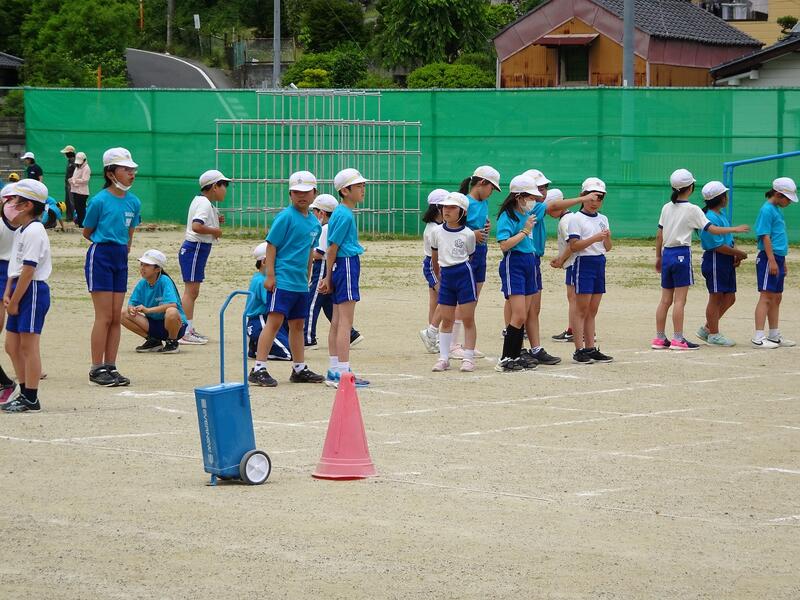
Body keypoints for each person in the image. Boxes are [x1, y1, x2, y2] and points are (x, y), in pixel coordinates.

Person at [653, 169, 749, 351]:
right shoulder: (693, 209)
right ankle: (678, 339)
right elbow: (712, 230)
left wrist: (658, 256)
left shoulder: (666, 207)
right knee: (680, 300)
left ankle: (659, 338)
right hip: (681, 254)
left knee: (665, 300)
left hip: (667, 254)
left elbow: (659, 235)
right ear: (691, 187)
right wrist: (734, 229)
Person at [248, 170, 324, 388]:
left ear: (314, 193)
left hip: (300, 282)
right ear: (290, 194)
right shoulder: (285, 217)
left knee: (298, 324)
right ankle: (258, 369)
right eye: (296, 192)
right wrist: (271, 275)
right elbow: (272, 246)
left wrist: (308, 275)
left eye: (306, 192)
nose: (301, 196)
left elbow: (309, 251)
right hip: (282, 280)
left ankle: (299, 368)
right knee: (274, 322)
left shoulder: (314, 223)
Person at [83, 147, 141, 386]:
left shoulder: (134, 202)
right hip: (101, 256)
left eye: (132, 169)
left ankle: (111, 366)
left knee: (116, 316)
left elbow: (130, 232)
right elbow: (87, 231)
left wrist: (125, 247)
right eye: (125, 169)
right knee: (104, 316)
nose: (131, 173)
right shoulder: (99, 200)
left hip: (120, 257)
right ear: (110, 173)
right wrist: (109, 242)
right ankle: (96, 369)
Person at [1, 179, 51, 413]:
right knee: (12, 346)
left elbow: (29, 270)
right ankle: (23, 391)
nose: (10, 204)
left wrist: (15, 301)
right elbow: (16, 267)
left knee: (28, 346)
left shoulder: (34, 231)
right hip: (19, 289)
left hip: (32, 291)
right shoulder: (22, 230)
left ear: (28, 205)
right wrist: (8, 292)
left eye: (15, 200)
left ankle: (31, 397)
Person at [319, 168, 370, 388]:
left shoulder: (341, 212)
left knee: (338, 321)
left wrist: (329, 275)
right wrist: (328, 277)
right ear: (345, 190)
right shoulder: (345, 214)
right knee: (345, 323)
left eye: (363, 185)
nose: (363, 190)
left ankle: (335, 369)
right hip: (347, 264)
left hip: (342, 265)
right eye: (358, 186)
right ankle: (342, 372)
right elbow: (332, 248)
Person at [447, 166, 501, 359]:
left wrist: (485, 228)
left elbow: (478, 225)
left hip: (481, 252)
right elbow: (452, 227)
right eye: (491, 188)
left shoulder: (483, 203)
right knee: (463, 300)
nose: (491, 192)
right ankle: (452, 345)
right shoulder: (464, 202)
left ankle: (465, 343)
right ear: (482, 183)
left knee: (473, 300)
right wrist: (473, 233)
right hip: (466, 254)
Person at [304, 193, 363, 349]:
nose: (312, 214)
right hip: (332, 265)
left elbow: (323, 252)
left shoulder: (324, 228)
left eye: (314, 211)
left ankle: (307, 337)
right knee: (330, 304)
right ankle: (352, 334)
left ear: (322, 213)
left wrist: (305, 252)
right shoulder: (336, 220)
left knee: (313, 300)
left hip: (324, 266)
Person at [179, 169, 230, 345]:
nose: (225, 189)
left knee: (192, 292)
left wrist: (215, 220)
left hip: (197, 250)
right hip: (195, 249)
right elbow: (196, 226)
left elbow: (200, 222)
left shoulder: (203, 202)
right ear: (215, 186)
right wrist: (215, 230)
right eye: (224, 185)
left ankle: (187, 328)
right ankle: (184, 331)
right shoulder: (205, 204)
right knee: (191, 292)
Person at [495, 176, 540, 372]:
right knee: (519, 314)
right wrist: (525, 231)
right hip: (515, 263)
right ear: (519, 196)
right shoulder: (508, 216)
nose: (533, 201)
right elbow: (504, 244)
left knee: (524, 314)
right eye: (530, 197)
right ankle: (505, 358)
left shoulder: (526, 214)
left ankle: (515, 355)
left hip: (529, 262)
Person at [430, 192, 477, 373]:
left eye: (452, 207)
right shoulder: (436, 232)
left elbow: (470, 255)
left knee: (468, 318)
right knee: (447, 319)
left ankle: (468, 357)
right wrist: (438, 278)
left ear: (462, 212)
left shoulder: (468, 234)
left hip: (464, 276)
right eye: (444, 207)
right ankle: (443, 358)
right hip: (446, 277)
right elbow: (434, 257)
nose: (446, 210)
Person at [567, 178, 613, 364]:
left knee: (592, 310)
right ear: (583, 196)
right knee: (581, 309)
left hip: (599, 262)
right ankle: (579, 350)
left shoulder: (603, 219)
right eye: (592, 197)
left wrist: (606, 238)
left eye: (599, 198)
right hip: (584, 263)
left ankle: (590, 348)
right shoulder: (576, 218)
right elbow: (574, 246)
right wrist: (595, 238)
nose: (595, 202)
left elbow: (607, 247)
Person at [696, 181, 747, 347]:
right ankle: (714, 334)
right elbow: (716, 246)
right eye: (725, 195)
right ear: (720, 198)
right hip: (715, 260)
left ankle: (707, 328)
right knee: (716, 297)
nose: (727, 197)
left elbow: (727, 239)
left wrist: (735, 252)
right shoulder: (709, 217)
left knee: (730, 297)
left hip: (725, 259)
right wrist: (738, 253)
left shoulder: (720, 214)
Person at [751, 177, 797, 349]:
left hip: (778, 257)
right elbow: (765, 236)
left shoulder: (776, 209)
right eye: (788, 199)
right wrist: (771, 260)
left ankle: (774, 334)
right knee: (766, 297)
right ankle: (758, 336)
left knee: (776, 297)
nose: (789, 202)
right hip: (768, 258)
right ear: (778, 194)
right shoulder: (767, 210)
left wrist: (781, 261)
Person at [120, 250, 187, 354]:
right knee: (122, 313)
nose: (142, 268)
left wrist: (148, 310)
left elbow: (172, 304)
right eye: (141, 264)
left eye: (147, 265)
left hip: (175, 326)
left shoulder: (164, 280)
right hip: (153, 324)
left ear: (158, 269)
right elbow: (132, 303)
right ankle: (153, 341)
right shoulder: (142, 283)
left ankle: (172, 342)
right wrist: (131, 309)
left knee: (172, 311)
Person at [246, 242, 292, 361]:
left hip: (263, 319)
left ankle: (256, 346)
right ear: (264, 262)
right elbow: (270, 302)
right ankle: (258, 350)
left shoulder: (259, 277)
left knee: (294, 346)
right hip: (260, 319)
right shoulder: (263, 281)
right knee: (289, 354)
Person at [419, 188, 447, 354]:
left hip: (434, 264)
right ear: (438, 208)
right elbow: (436, 256)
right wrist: (439, 273)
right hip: (433, 265)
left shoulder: (436, 226)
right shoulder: (433, 229)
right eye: (446, 206)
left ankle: (432, 337)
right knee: (445, 298)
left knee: (435, 302)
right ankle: (431, 332)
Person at [0, 183, 21, 404]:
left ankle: (10, 381)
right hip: (8, 272)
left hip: (13, 273)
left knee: (19, 331)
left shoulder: (28, 227)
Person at [548, 189, 576, 343]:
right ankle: (582, 330)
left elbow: (572, 244)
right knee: (577, 298)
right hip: (574, 262)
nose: (548, 212)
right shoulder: (572, 217)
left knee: (573, 298)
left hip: (573, 264)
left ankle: (574, 330)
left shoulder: (565, 221)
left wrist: (561, 260)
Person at [69, 151, 91, 227]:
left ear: (84, 160)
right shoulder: (77, 168)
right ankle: (80, 223)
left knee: (81, 209)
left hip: (82, 192)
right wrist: (71, 180)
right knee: (77, 209)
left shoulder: (86, 168)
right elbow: (74, 177)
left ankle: (83, 224)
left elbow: (85, 180)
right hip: (75, 191)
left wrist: (75, 181)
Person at [60, 144, 76, 222]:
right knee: (68, 201)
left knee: (72, 201)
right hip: (67, 184)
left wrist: (72, 182)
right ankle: (69, 217)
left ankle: (75, 217)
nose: (65, 154)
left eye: (66, 153)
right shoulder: (69, 161)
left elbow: (76, 173)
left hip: (72, 185)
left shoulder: (74, 161)